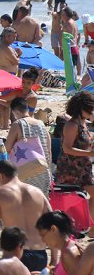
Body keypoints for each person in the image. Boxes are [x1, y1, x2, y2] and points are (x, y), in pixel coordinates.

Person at [0, 160, 52, 272]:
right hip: (40, 254)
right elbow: (52, 223)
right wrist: (54, 256)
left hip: (16, 253)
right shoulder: (37, 192)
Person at [54, 91, 94, 223]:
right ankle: (86, 225)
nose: (91, 111)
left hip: (83, 168)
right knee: (72, 200)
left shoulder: (83, 123)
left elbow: (84, 142)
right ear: (81, 108)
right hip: (71, 169)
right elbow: (67, 148)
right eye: (89, 108)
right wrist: (89, 153)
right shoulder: (72, 125)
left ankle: (87, 225)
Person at [4, 97, 51, 196]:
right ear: (27, 108)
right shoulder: (42, 124)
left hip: (26, 170)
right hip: (44, 170)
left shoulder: (17, 124)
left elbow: (7, 148)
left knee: (26, 204)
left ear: (15, 111)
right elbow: (48, 150)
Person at [35, 211, 83, 275]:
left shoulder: (69, 253)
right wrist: (55, 270)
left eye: (43, 235)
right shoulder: (67, 248)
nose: (42, 240)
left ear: (53, 229)